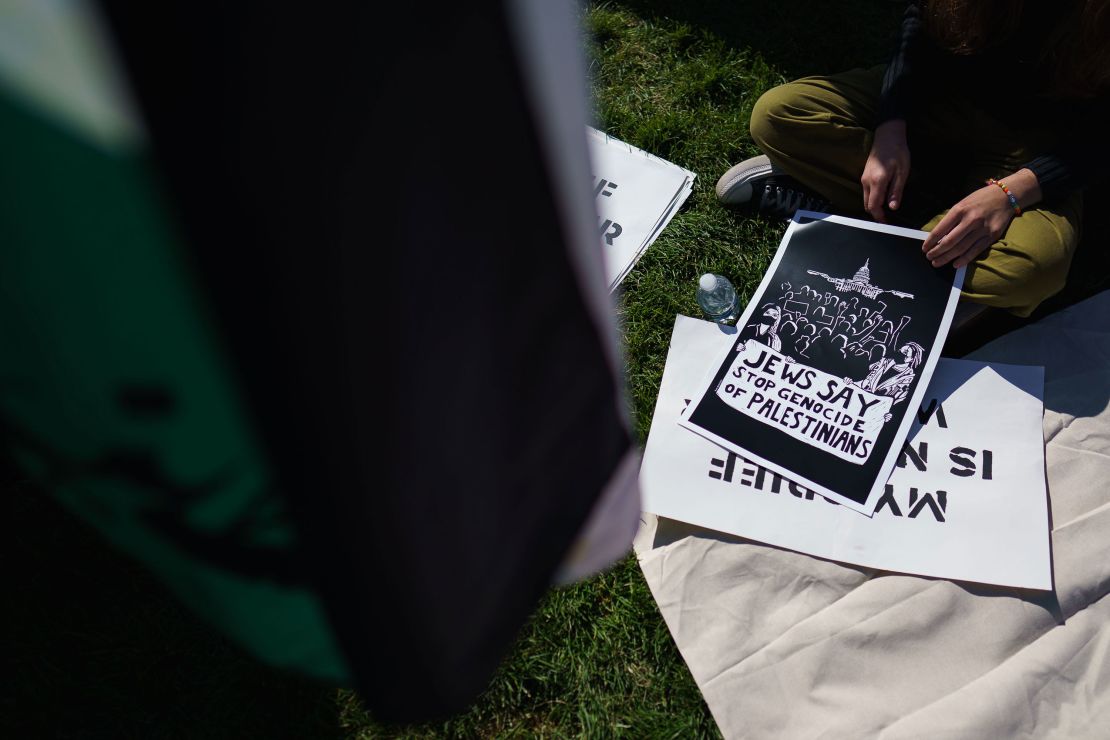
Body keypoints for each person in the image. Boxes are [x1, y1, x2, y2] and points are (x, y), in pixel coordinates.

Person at [716, 0, 1110, 319]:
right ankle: (926, 226)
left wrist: (1011, 194)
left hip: (1035, 152)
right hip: (936, 101)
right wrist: (890, 125)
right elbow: (920, 22)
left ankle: (849, 204)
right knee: (778, 115)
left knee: (1032, 271)